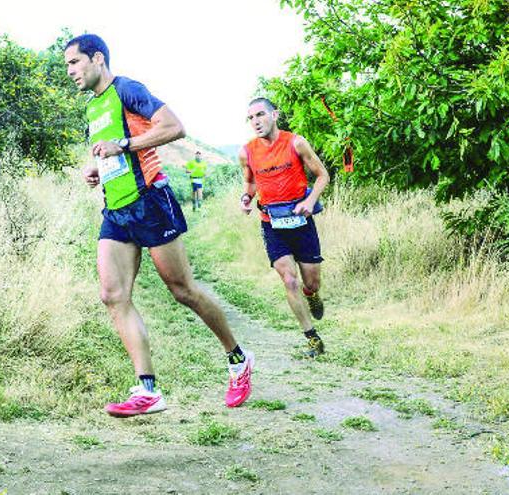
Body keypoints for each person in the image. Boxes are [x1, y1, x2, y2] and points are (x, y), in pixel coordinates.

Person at [64, 34, 253, 416]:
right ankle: (147, 390)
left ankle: (237, 358)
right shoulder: (92, 107)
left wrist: (125, 144)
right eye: (67, 65)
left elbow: (174, 126)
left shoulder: (127, 89)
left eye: (74, 62)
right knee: (112, 295)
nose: (70, 72)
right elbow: (112, 151)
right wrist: (97, 170)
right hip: (116, 209)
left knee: (182, 290)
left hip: (150, 200)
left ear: (97, 58)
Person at [239, 97, 330, 358]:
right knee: (289, 279)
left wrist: (310, 201)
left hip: (301, 222)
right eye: (251, 118)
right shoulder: (246, 152)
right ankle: (312, 338)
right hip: (272, 224)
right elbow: (251, 184)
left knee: (311, 282)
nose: (256, 122)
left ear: (274, 115)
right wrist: (246, 199)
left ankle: (311, 294)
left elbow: (323, 175)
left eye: (260, 115)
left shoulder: (295, 142)